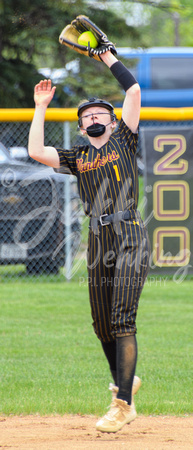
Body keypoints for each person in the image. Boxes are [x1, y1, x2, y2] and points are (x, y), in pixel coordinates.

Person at [28, 50, 150, 433]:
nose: (93, 119)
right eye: (86, 117)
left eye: (99, 115)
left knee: (121, 319)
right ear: (81, 129)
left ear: (113, 123)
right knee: (102, 325)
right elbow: (35, 151)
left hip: (129, 233)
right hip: (97, 240)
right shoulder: (78, 156)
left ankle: (123, 402)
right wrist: (40, 107)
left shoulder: (124, 142)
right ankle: (124, 380)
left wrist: (107, 55)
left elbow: (133, 91)